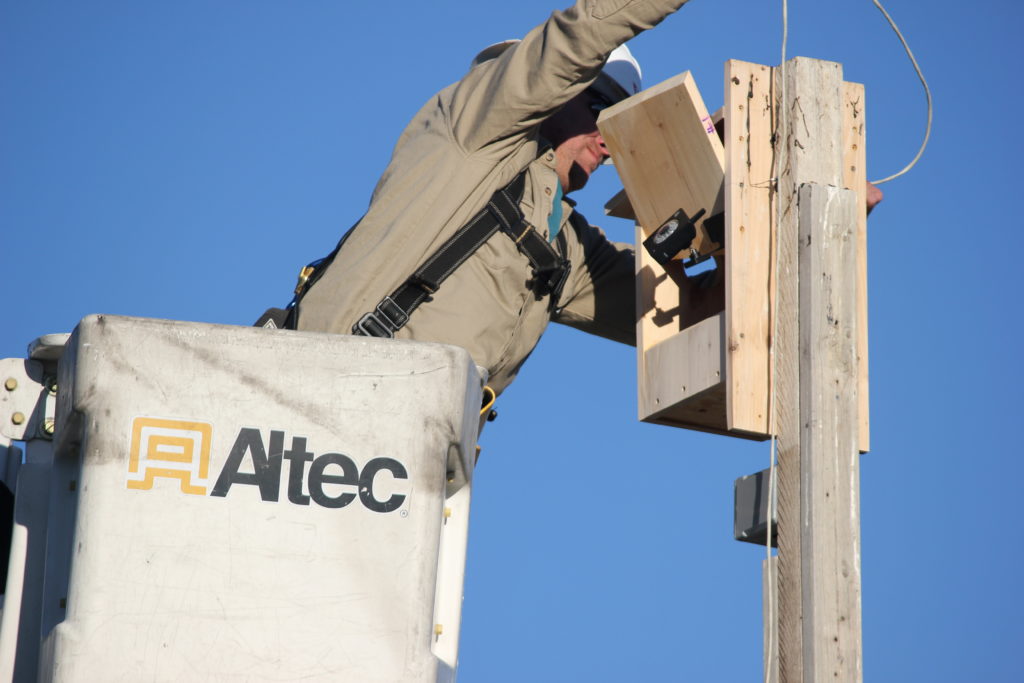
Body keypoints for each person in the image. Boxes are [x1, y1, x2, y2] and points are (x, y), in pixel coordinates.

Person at [291, 0, 881, 399]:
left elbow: (691, 314)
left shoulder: (561, 243)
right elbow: (576, 37)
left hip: (410, 457)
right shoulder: (477, 128)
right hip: (319, 395)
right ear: (549, 96)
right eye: (595, 106)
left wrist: (807, 223)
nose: (607, 137)